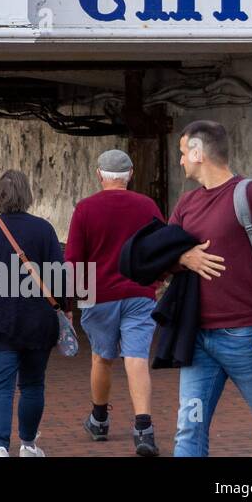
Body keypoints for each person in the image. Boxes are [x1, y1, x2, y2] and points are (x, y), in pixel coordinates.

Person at [169, 120, 252, 458]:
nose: (180, 160)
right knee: (189, 427)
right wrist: (183, 257)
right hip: (197, 338)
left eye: (183, 152)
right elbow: (161, 254)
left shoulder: (251, 193)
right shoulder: (186, 203)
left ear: (198, 153)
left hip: (246, 337)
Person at [0, 170, 69, 457]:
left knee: (0, 387)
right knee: (33, 385)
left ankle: (0, 446)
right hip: (37, 323)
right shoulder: (44, 230)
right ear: (27, 196)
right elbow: (59, 277)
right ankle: (28, 444)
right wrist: (63, 310)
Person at [65, 149, 165, 456]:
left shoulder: (85, 209)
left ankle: (99, 420)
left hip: (98, 294)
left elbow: (73, 261)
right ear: (130, 174)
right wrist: (157, 281)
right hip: (139, 292)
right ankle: (144, 428)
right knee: (136, 357)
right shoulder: (147, 206)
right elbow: (163, 247)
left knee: (101, 357)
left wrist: (70, 301)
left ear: (99, 175)